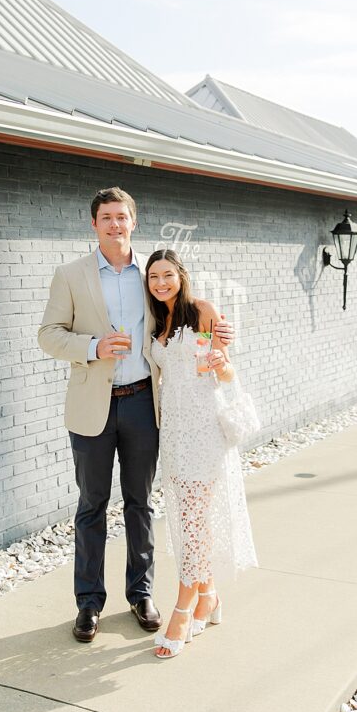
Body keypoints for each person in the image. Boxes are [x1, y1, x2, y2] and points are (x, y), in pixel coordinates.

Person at [37, 187, 235, 643]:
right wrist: (92, 347)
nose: (114, 225)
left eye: (121, 217)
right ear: (94, 224)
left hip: (145, 402)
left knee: (140, 503)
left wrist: (221, 328)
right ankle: (88, 603)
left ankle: (141, 593)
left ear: (133, 222)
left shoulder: (152, 274)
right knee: (92, 505)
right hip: (93, 406)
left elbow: (186, 313)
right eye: (106, 217)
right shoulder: (70, 275)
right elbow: (48, 335)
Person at [146, 248, 257, 659]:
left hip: (205, 429)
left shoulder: (202, 311)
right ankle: (209, 596)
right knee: (188, 517)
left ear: (181, 275)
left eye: (167, 275)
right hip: (173, 432)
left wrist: (220, 363)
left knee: (194, 520)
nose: (161, 283)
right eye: (154, 276)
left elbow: (228, 371)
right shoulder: (156, 320)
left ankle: (183, 607)